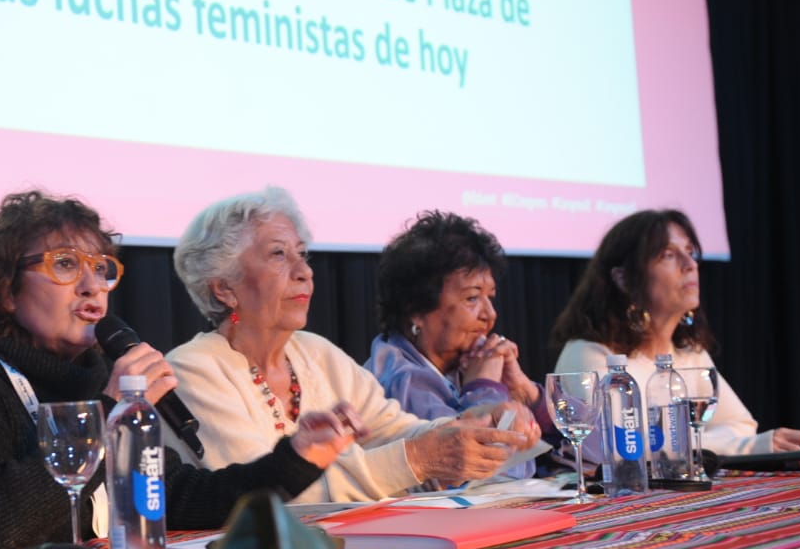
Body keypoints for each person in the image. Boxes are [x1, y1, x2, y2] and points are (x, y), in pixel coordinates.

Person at [0, 190, 362, 549]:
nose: (91, 285)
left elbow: (189, 499)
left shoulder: (92, 379)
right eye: (65, 265)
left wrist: (299, 457)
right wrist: (111, 412)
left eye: (101, 269)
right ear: (4, 290)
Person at [168, 188, 537, 504]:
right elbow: (269, 490)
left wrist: (471, 422)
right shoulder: (194, 369)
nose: (305, 271)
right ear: (224, 287)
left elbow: (395, 431)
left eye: (303, 254)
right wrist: (418, 459)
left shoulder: (315, 353)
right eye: (278, 254)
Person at [551, 208, 800, 455]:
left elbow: (740, 425)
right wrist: (744, 447)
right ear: (624, 278)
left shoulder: (689, 354)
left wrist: (736, 442)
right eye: (668, 254)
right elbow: (630, 447)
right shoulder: (590, 354)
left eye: (690, 251)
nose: (689, 264)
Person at [367, 211, 547, 478]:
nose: (490, 314)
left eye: (490, 298)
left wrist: (525, 391)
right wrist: (484, 387)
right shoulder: (401, 379)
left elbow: (590, 455)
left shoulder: (466, 362)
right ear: (416, 308)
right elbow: (494, 474)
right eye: (472, 298)